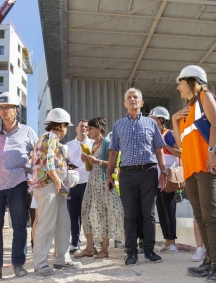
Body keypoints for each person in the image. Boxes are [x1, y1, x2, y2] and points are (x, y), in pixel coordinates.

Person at [171, 65, 216, 283]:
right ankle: (208, 260)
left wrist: (213, 152)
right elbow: (179, 142)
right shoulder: (188, 109)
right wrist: (175, 119)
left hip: (205, 165)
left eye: (180, 82)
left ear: (192, 81)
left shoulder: (205, 96)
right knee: (201, 216)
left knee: (210, 215)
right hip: (190, 168)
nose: (178, 87)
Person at [0, 92, 38, 281]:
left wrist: (31, 168)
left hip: (17, 183)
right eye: (0, 108)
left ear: (16, 110)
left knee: (19, 225)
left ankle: (18, 265)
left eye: (7, 108)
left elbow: (37, 155)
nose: (3, 111)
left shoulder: (27, 132)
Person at [106, 88, 167, 266]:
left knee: (149, 214)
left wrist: (163, 171)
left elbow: (159, 149)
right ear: (125, 104)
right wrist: (109, 174)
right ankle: (131, 252)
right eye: (129, 98)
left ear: (141, 103)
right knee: (130, 215)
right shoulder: (118, 125)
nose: (132, 100)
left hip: (148, 172)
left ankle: (149, 250)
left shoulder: (151, 124)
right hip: (127, 174)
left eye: (136, 97)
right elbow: (113, 151)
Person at [30, 108, 82, 276]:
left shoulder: (51, 141)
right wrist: (58, 180)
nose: (66, 129)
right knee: (46, 225)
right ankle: (40, 264)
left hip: (56, 187)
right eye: (66, 125)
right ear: (60, 125)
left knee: (62, 224)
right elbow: (47, 163)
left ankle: (61, 258)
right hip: (48, 186)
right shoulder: (50, 138)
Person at [75, 117, 124, 259]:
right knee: (86, 211)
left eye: (90, 128)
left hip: (102, 182)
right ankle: (89, 248)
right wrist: (88, 160)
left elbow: (113, 164)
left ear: (99, 128)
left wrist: (97, 161)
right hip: (92, 182)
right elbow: (93, 166)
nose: (88, 131)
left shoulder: (107, 142)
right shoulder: (94, 145)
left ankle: (104, 249)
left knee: (104, 213)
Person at [148, 107, 181, 253]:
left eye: (154, 119)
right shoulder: (152, 136)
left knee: (169, 209)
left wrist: (163, 145)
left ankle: (172, 242)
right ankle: (167, 242)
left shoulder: (169, 135)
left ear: (161, 120)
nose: (152, 122)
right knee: (161, 210)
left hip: (168, 178)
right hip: (156, 179)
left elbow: (180, 153)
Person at [65, 119, 94, 253]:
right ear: (76, 128)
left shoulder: (94, 144)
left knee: (88, 215)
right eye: (81, 126)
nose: (84, 128)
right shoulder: (68, 145)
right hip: (72, 184)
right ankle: (75, 242)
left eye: (86, 127)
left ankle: (90, 243)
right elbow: (64, 163)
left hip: (88, 183)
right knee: (73, 215)